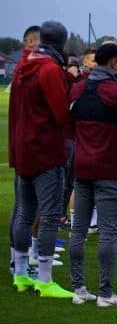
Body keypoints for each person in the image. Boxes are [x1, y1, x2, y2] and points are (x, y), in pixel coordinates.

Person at [69, 43, 117, 307]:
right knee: (108, 232)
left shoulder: (78, 88)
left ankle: (79, 289)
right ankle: (105, 293)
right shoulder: (116, 91)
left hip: (82, 166)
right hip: (108, 168)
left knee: (78, 231)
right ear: (114, 62)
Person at [9, 21, 74, 298]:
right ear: (60, 43)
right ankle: (45, 279)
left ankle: (21, 274)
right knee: (48, 215)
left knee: (24, 213)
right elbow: (61, 113)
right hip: (45, 150)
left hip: (22, 149)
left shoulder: (22, 66)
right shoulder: (49, 70)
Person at [8, 25, 40, 274]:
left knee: (23, 206)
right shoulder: (27, 69)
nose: (33, 44)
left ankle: (20, 259)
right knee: (24, 207)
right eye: (30, 40)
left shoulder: (23, 69)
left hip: (22, 145)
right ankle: (19, 260)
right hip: (29, 147)